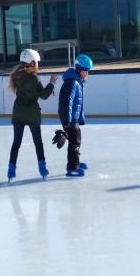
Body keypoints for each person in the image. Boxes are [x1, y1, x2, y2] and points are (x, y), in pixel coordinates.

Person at [7, 49, 58, 182]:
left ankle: (11, 169)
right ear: (31, 62)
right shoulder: (34, 77)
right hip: (31, 113)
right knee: (38, 142)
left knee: (16, 142)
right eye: (36, 62)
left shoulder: (16, 75)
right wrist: (52, 83)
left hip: (18, 112)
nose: (38, 65)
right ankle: (42, 168)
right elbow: (44, 95)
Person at [58, 54, 93, 177]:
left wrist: (80, 118)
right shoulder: (72, 82)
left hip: (73, 119)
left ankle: (76, 162)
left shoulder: (76, 82)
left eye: (88, 72)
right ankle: (72, 168)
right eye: (85, 71)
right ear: (78, 69)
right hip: (70, 119)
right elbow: (67, 102)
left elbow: (77, 104)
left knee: (76, 141)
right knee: (74, 142)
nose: (87, 74)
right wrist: (67, 120)